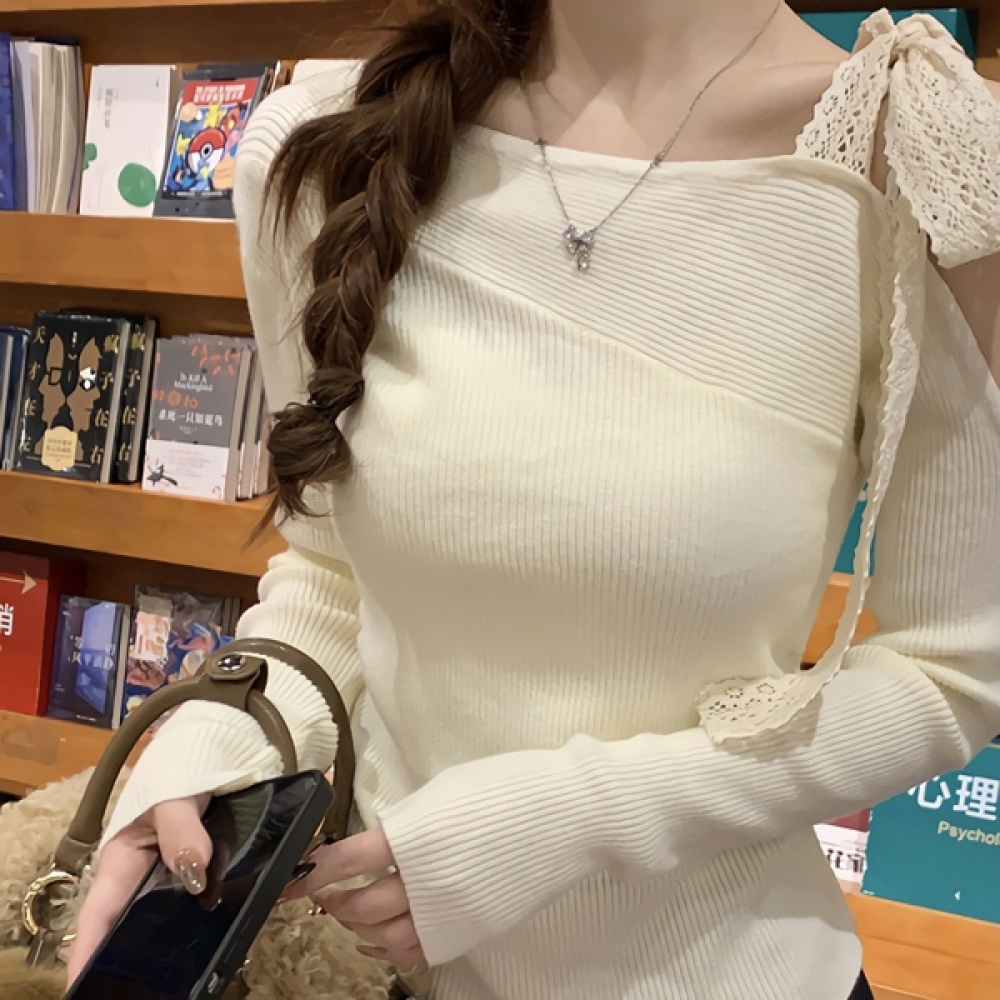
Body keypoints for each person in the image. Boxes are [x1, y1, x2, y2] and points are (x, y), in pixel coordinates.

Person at [70, 2, 1000, 998]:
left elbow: (951, 668)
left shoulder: (917, 156)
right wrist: (229, 734)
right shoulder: (330, 140)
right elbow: (335, 570)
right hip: (392, 974)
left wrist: (568, 820)